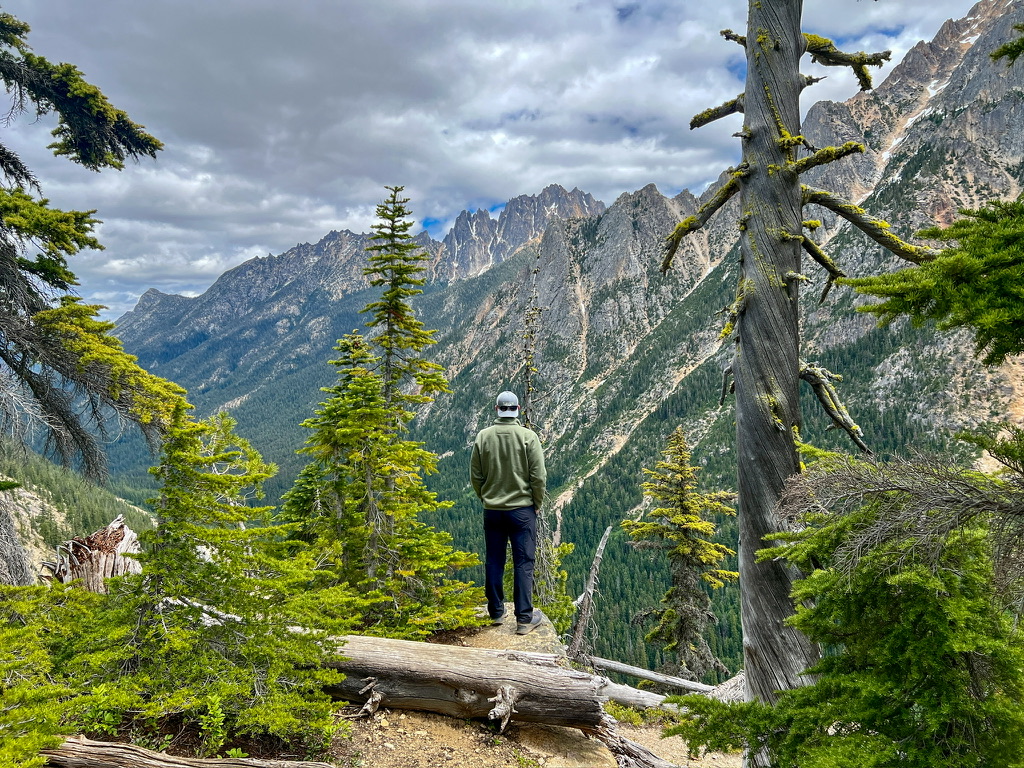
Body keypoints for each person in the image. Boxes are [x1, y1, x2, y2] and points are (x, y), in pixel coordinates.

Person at [470, 390, 547, 635]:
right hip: (522, 511)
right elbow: (538, 476)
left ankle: (496, 612)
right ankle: (524, 618)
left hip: (493, 511)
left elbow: (476, 476)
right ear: (518, 409)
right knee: (523, 563)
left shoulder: (483, 437)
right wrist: (537, 502)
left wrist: (486, 497)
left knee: (494, 560)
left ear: (496, 409)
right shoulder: (528, 437)